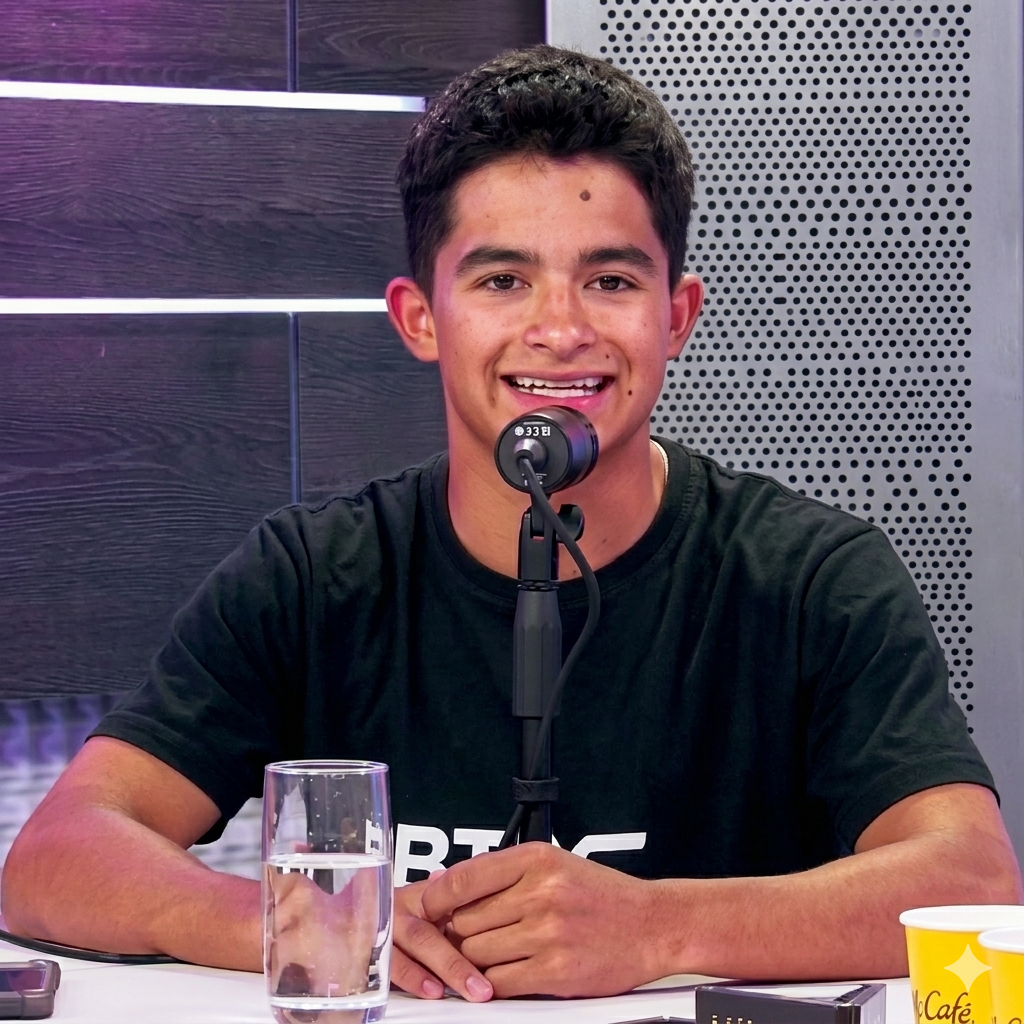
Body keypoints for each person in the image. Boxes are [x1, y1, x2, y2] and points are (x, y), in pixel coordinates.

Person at [2, 45, 1020, 1002]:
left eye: (610, 281)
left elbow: (973, 881)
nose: (560, 329)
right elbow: (56, 855)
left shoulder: (811, 577)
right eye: (503, 280)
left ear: (676, 315)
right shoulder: (312, 577)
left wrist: (660, 928)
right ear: (420, 318)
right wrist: (304, 920)